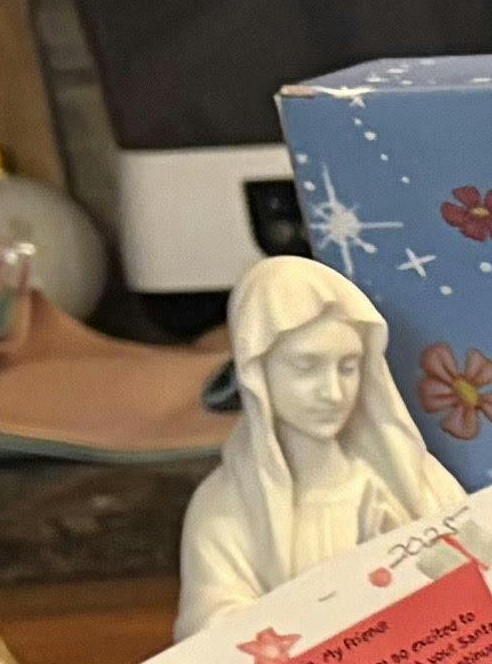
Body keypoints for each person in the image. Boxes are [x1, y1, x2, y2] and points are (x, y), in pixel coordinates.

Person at [173, 254, 464, 630]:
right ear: (256, 371)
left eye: (347, 367)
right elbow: (211, 636)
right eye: (305, 366)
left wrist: (411, 561)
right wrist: (357, 585)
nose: (332, 392)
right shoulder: (226, 509)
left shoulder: (418, 484)